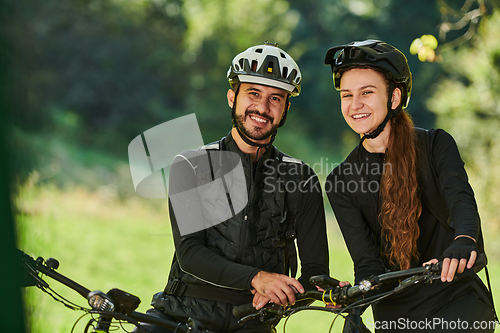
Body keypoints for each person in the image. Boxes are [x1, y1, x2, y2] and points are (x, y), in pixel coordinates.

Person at [136, 42, 330, 333]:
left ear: (286, 108)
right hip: (181, 314)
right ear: (232, 97)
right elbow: (190, 253)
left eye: (275, 98)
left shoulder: (301, 179)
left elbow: (315, 274)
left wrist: (295, 292)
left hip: (253, 322)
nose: (263, 108)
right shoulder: (191, 166)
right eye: (253, 93)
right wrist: (259, 278)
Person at [323, 40, 496, 332]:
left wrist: (464, 241)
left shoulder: (435, 145)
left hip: (455, 299)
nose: (354, 105)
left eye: (367, 92)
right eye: (346, 95)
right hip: (395, 315)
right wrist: (353, 302)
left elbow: (461, 200)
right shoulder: (340, 182)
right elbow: (369, 264)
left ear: (394, 97)